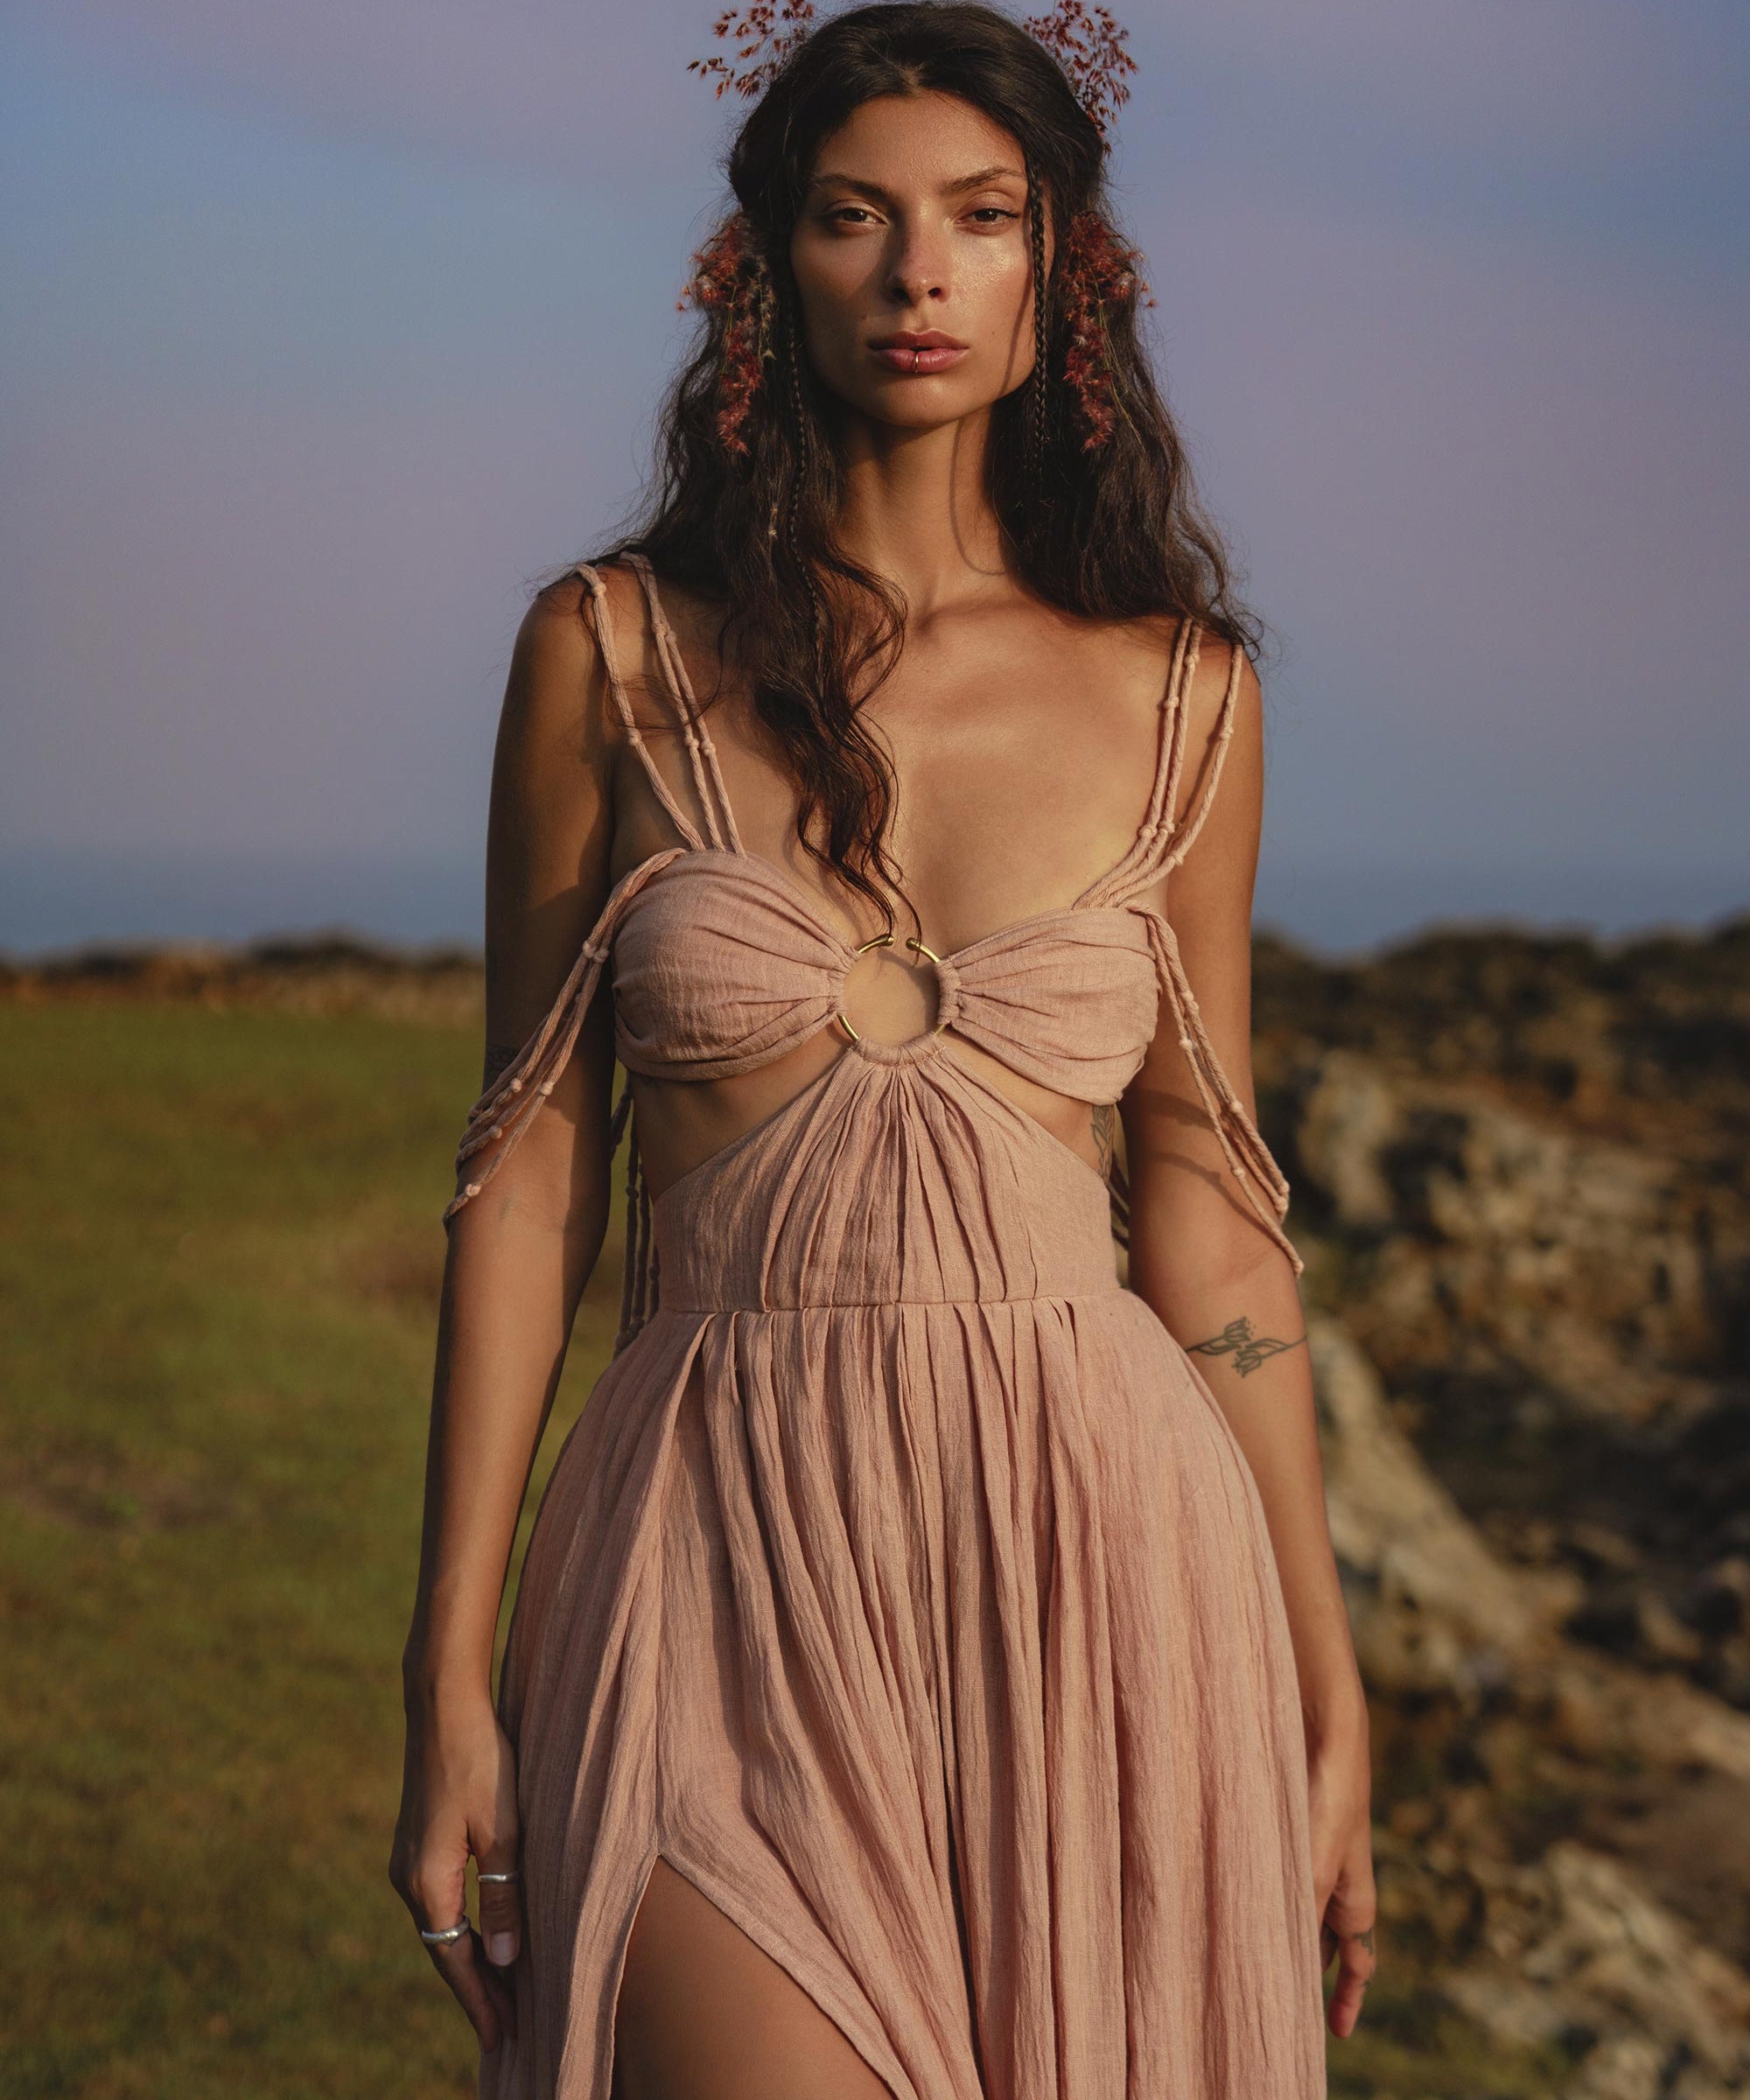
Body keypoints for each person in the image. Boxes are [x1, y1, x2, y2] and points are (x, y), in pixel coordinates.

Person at [390, 4, 1376, 2094]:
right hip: (711, 1545)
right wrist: (445, 1665)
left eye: (979, 218)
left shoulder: (1183, 695)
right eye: (854, 218)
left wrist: (1321, 1675)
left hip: (1099, 1565)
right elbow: (529, 1172)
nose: (918, 272)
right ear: (764, 268)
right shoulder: (607, 653)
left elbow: (1210, 1218)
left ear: (1060, 273)